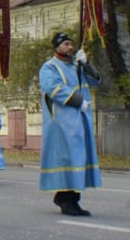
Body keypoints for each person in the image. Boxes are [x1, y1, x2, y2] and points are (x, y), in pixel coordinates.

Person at [38, 32, 102, 217]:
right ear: (57, 47)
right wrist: (78, 100)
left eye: (71, 44)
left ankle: (73, 199)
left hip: (79, 120)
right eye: (66, 44)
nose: (70, 47)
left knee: (78, 159)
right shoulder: (49, 67)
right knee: (68, 159)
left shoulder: (76, 66)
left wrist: (86, 64)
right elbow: (54, 89)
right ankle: (65, 199)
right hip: (61, 123)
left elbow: (95, 80)